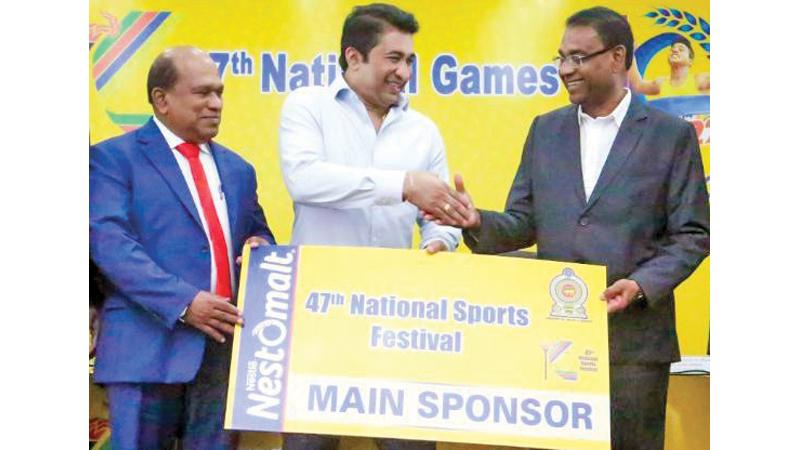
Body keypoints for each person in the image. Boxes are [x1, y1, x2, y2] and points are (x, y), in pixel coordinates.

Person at [426, 7, 709, 450]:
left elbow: (693, 233)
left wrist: (639, 284)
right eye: (560, 58)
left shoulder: (670, 135)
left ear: (617, 58)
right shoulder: (545, 130)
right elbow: (524, 222)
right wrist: (478, 221)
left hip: (633, 345)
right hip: (552, 343)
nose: (564, 70)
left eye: (577, 58)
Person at [277, 3, 464, 450]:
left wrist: (440, 240)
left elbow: (439, 215)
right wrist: (402, 185)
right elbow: (305, 180)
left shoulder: (423, 130)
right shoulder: (307, 107)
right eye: (393, 58)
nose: (404, 71)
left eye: (410, 60)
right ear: (353, 57)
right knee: (309, 443)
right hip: (318, 318)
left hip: (399, 320)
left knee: (409, 445)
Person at [90, 46, 275, 450]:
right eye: (203, 93)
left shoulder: (239, 169)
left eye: (220, 93)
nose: (216, 103)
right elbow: (111, 246)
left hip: (221, 352)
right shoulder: (111, 159)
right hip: (146, 348)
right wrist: (184, 302)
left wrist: (259, 247)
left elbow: (260, 235)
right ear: (162, 99)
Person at [629, 35, 710, 96]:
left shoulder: (699, 80)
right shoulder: (661, 83)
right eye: (672, 49)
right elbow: (638, 86)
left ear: (690, 61)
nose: (674, 50)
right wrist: (630, 53)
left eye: (681, 49)